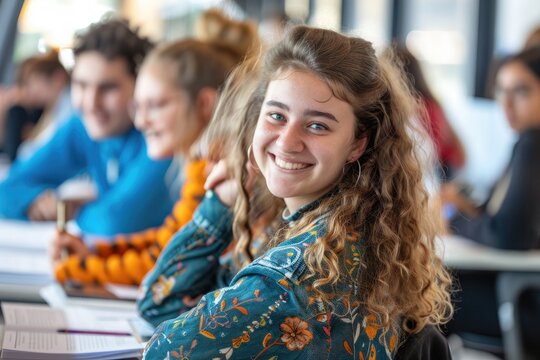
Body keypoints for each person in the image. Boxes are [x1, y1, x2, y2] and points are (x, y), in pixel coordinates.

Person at [138, 25, 453, 359]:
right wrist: (224, 201)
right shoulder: (338, 235)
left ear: (357, 144)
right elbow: (161, 303)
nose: (287, 141)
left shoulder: (296, 276)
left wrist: (216, 207)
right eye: (277, 115)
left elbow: (164, 351)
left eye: (317, 125)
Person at [51, 9, 260, 285]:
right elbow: (168, 241)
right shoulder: (200, 164)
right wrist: (92, 253)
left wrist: (76, 268)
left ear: (204, 104)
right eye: (138, 106)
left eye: (156, 105)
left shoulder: (216, 171)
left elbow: (167, 262)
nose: (141, 121)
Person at [0, 18, 175, 238]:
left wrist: (69, 210)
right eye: (81, 85)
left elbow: (114, 223)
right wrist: (34, 199)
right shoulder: (82, 126)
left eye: (108, 88)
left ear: (141, 87)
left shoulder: (161, 135)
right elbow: (5, 190)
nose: (91, 103)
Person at [443, 47, 540, 356]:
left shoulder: (533, 143)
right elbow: (501, 218)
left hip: (525, 303)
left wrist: (453, 221)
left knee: (416, 293)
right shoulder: (524, 143)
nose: (507, 104)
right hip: (521, 291)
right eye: (502, 91)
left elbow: (509, 235)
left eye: (522, 91)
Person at [393, 44, 466, 181]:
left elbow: (428, 154)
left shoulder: (420, 107)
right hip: (445, 169)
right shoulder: (431, 103)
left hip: (441, 172)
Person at [3, 50, 73, 162]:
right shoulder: (52, 109)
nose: (32, 90)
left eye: (35, 82)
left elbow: (40, 151)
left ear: (58, 78)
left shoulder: (69, 107)